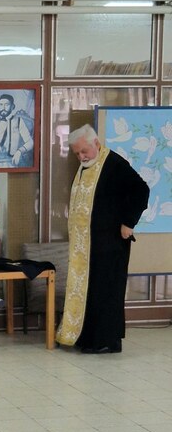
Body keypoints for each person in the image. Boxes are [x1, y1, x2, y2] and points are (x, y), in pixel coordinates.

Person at [57, 124, 149, 354]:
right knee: (91, 291)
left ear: (96, 143)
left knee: (106, 292)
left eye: (84, 151)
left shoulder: (114, 164)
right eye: (77, 153)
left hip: (110, 243)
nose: (81, 156)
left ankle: (105, 341)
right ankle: (87, 337)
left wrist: (129, 222)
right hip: (88, 245)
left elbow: (141, 190)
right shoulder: (87, 166)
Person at [0, 93, 33, 169]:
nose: (3, 108)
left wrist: (19, 151)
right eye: (1, 104)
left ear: (12, 107)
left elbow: (30, 142)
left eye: (6, 105)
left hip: (7, 162)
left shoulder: (18, 121)